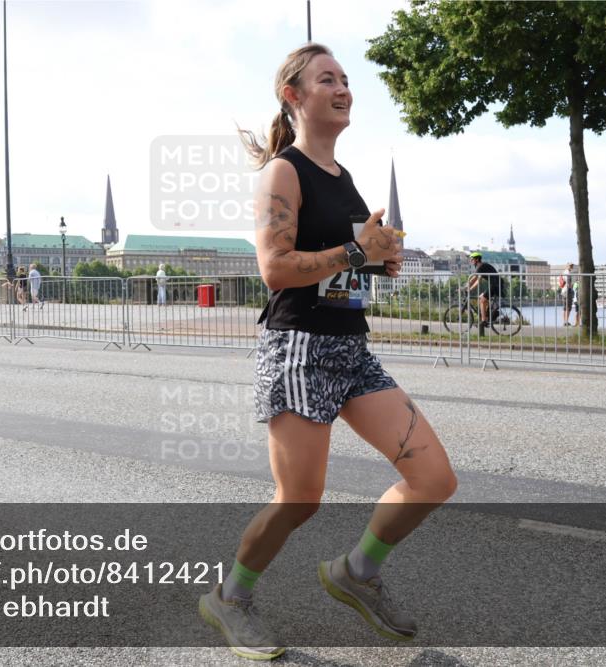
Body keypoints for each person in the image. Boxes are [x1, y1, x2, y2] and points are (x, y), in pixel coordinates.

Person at [198, 44, 457, 660]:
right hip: (298, 348)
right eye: (327, 80)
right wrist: (355, 254)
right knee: (300, 500)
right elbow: (275, 268)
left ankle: (356, 573)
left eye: (346, 80)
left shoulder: (344, 180)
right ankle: (230, 599)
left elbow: (349, 262)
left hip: (350, 349)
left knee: (433, 478)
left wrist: (380, 260)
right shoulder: (282, 173)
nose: (343, 89)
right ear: (294, 96)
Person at [465, 252, 506, 326]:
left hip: (495, 285)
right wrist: (469, 289)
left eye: (472, 259)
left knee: (482, 299)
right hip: (496, 284)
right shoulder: (482, 267)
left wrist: (465, 287)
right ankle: (489, 315)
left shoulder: (480, 266)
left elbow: (474, 279)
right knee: (481, 297)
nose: (471, 261)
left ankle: (484, 321)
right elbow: (478, 281)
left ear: (477, 259)